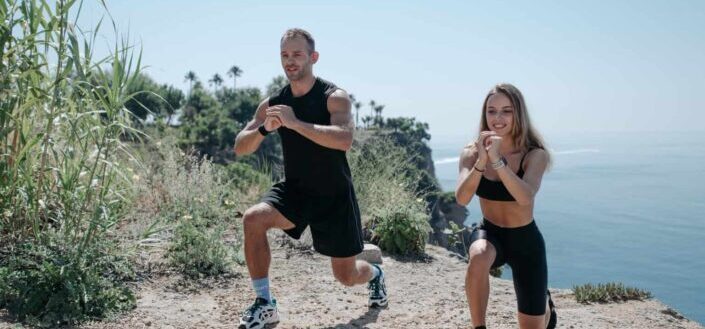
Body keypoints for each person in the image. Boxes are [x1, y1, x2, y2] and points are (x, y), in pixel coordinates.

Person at [233, 28, 387, 329]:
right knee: (253, 219)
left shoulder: (334, 97)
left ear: (313, 57)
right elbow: (241, 146)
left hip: (335, 196)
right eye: (285, 55)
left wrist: (295, 123)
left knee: (346, 276)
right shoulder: (273, 102)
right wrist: (265, 129)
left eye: (297, 54)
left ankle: (376, 275)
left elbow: (344, 139)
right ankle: (265, 304)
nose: (290, 61)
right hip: (296, 190)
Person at [455, 83, 557, 329]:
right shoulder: (471, 152)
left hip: (526, 241)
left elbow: (525, 197)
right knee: (478, 256)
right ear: (484, 114)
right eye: (492, 111)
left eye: (506, 111)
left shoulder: (534, 155)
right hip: (491, 234)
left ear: (518, 114)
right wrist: (482, 160)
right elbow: (462, 198)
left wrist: (497, 161)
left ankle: (544, 305)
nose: (497, 118)